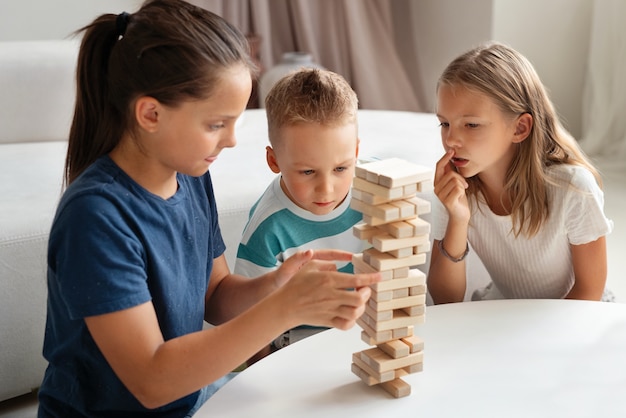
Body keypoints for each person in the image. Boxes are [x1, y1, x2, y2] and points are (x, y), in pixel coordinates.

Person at [37, 1, 380, 417]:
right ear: (150, 114)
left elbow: (216, 296)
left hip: (195, 398)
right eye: (217, 124)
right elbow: (151, 380)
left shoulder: (191, 175)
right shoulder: (95, 219)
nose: (233, 140)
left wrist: (278, 285)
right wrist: (284, 310)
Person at [427, 42, 613, 304]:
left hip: (574, 316)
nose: (451, 139)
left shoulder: (574, 188)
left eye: (471, 124)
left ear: (520, 128)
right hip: (506, 310)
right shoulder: (453, 189)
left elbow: (589, 292)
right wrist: (457, 218)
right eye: (444, 123)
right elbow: (446, 300)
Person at [234, 68, 363, 359]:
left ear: (356, 153)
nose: (326, 190)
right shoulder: (268, 227)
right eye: (307, 172)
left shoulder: (376, 188)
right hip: (298, 353)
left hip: (365, 338)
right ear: (273, 160)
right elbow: (248, 320)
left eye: (341, 168)